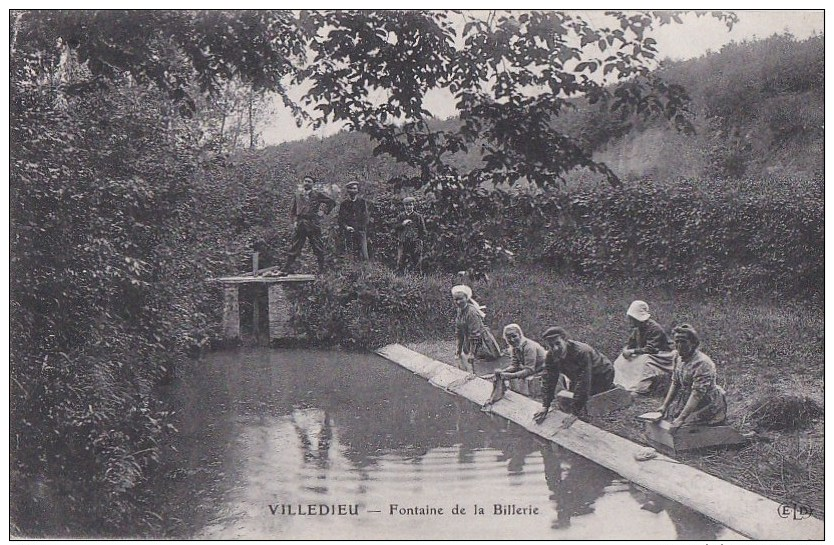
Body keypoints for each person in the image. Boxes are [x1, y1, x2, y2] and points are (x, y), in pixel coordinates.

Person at [533, 326, 615, 423]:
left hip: (602, 374)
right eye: (551, 345)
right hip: (577, 375)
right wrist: (545, 406)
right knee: (570, 398)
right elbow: (549, 380)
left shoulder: (581, 352)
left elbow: (584, 381)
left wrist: (575, 413)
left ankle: (610, 388)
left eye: (558, 343)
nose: (555, 348)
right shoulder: (551, 356)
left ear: (565, 340)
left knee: (589, 403)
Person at [656, 323, 728, 429]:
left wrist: (681, 419)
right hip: (687, 400)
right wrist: (664, 406)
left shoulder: (703, 363)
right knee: (665, 420)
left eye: (683, 342)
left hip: (706, 403)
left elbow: (697, 394)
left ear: (693, 343)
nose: (679, 345)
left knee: (683, 427)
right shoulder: (677, 356)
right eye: (677, 341)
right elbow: (675, 383)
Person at [613, 300, 675, 394]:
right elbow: (631, 343)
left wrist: (632, 351)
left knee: (644, 361)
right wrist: (626, 350)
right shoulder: (637, 329)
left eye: (633, 319)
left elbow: (651, 349)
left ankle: (639, 388)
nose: (631, 321)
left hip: (663, 355)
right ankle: (620, 384)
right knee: (621, 360)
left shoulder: (655, 329)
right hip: (646, 353)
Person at [281, 175, 336, 275]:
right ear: (303, 182)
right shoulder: (298, 195)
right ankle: (287, 268)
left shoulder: (317, 194)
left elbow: (332, 202)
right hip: (301, 223)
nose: (306, 183)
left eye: (309, 181)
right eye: (305, 181)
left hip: (313, 223)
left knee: (318, 246)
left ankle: (321, 270)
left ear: (313, 184)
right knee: (295, 246)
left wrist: (323, 212)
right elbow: (293, 210)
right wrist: (294, 222)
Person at [452, 284, 501, 371]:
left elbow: (475, 335)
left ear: (466, 298)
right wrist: (458, 349)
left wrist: (472, 353)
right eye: (456, 299)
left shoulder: (471, 312)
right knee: (469, 365)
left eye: (461, 299)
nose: (458, 302)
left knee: (482, 366)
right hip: (469, 340)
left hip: (481, 341)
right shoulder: (460, 310)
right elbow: (458, 332)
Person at [337, 180, 369, 261]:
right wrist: (346, 227)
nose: (353, 190)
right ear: (348, 191)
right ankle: (352, 271)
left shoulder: (362, 202)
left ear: (357, 190)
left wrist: (362, 227)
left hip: (361, 230)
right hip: (349, 231)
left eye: (355, 189)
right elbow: (341, 219)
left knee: (364, 254)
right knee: (351, 253)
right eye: (351, 189)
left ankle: (364, 271)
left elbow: (365, 216)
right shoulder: (344, 204)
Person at [395, 196, 426, 273]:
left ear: (413, 205)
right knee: (400, 261)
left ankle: (418, 280)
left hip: (415, 242)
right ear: (404, 206)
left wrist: (419, 240)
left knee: (417, 262)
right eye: (407, 205)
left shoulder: (418, 216)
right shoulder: (400, 216)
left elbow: (423, 230)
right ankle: (400, 280)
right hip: (403, 242)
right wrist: (403, 224)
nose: (409, 207)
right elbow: (395, 227)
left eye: (410, 205)